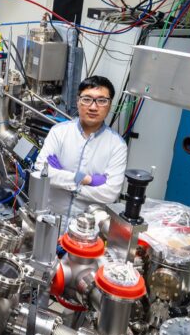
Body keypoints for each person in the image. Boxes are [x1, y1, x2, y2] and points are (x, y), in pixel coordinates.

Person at [33, 75, 128, 227]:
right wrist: (86, 179)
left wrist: (63, 178)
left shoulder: (117, 145)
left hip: (88, 228)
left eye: (102, 101)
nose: (93, 107)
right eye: (87, 99)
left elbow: (110, 193)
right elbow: (40, 172)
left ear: (110, 105)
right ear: (78, 101)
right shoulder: (59, 132)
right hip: (50, 219)